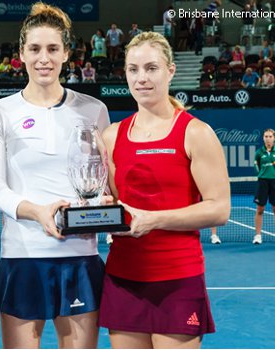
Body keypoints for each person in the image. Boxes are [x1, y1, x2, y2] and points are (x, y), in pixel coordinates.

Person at [0, 3, 110, 348]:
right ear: (21, 53)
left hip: (80, 254)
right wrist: (36, 211)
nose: (44, 58)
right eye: (35, 49)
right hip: (22, 255)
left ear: (67, 53)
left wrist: (103, 203)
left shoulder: (94, 110)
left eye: (53, 49)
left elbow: (103, 183)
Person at [98, 31, 230, 348]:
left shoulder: (196, 132)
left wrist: (154, 219)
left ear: (170, 71)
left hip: (177, 278)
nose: (141, 78)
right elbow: (117, 205)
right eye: (133, 69)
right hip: (123, 276)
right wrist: (98, 208)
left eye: (151, 68)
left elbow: (219, 208)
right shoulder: (112, 136)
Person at [252, 128, 275, 245]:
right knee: (260, 209)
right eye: (266, 136)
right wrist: (260, 173)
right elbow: (256, 165)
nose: (268, 139)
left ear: (274, 138)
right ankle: (258, 235)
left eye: (270, 136)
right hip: (263, 182)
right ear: (263, 138)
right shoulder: (259, 152)